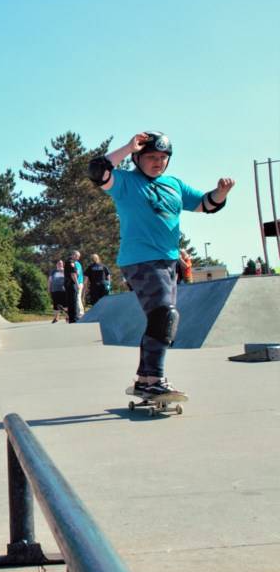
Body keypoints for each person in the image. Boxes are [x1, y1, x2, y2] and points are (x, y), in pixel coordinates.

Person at [86, 130, 235, 396]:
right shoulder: (125, 182)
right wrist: (127, 147)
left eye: (163, 157)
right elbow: (97, 171)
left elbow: (206, 204)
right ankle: (155, 380)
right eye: (152, 157)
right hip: (140, 260)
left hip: (168, 262)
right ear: (137, 158)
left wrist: (221, 192)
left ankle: (145, 379)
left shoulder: (174, 184)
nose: (158, 162)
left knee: (159, 319)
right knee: (165, 314)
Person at [64, 250, 82, 323]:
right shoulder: (71, 263)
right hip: (71, 283)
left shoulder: (68, 262)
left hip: (68, 283)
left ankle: (72, 318)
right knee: (73, 301)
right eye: (78, 256)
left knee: (71, 300)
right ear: (74, 255)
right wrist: (77, 284)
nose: (78, 258)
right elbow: (73, 274)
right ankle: (73, 318)